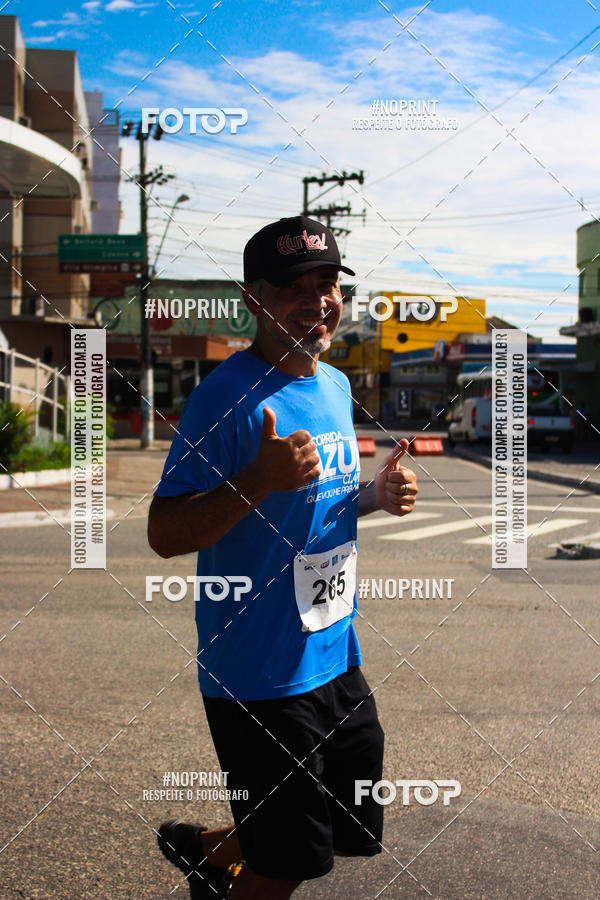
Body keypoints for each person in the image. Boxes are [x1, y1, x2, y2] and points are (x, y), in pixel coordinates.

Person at [148, 216, 418, 899]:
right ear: (253, 298)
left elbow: (316, 502)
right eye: (293, 286)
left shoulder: (332, 387)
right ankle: (228, 872)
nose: (317, 300)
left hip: (334, 651)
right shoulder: (223, 397)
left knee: (339, 816)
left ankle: (209, 851)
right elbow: (164, 531)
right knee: (287, 862)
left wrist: (372, 495)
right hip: (260, 670)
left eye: (327, 283)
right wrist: (255, 479)